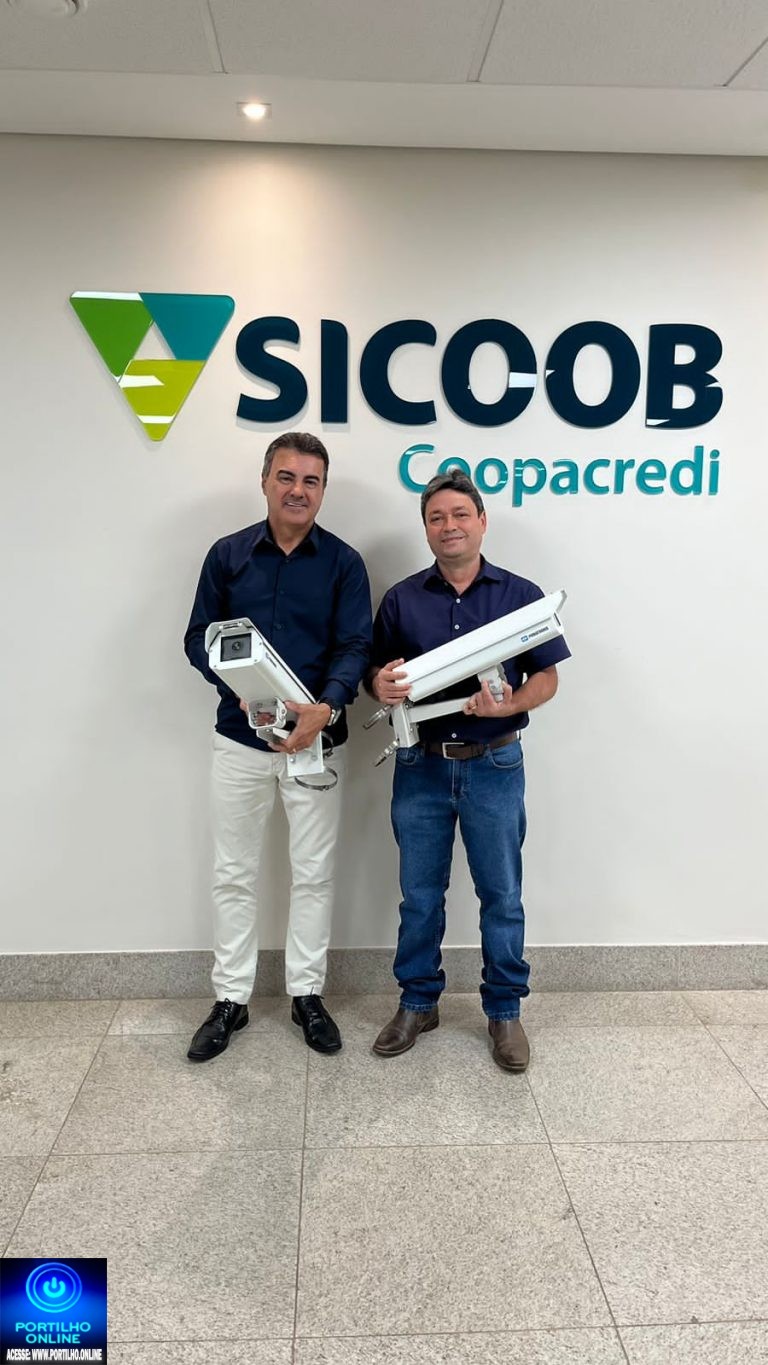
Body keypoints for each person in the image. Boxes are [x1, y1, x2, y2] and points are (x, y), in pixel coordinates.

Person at [368, 470, 570, 1072]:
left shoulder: (521, 596)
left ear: (482, 521)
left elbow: (548, 678)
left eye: (460, 514)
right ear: (426, 529)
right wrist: (378, 683)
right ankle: (417, 1002)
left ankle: (504, 1011)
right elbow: (375, 674)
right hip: (421, 766)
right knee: (419, 896)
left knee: (501, 894)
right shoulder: (401, 599)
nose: (449, 526)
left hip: (495, 764)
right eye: (436, 518)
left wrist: (510, 704)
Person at [184, 432, 372, 1061]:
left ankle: (306, 995)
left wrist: (327, 707)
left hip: (317, 741)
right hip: (240, 740)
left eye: (311, 480)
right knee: (233, 872)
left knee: (314, 873)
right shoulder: (227, 556)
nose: (298, 490)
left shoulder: (344, 563)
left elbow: (355, 646)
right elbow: (197, 638)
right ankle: (230, 999)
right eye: (286, 477)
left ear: (323, 490)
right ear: (265, 481)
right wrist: (237, 688)